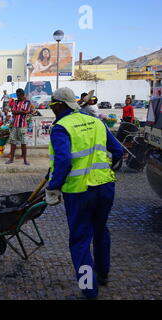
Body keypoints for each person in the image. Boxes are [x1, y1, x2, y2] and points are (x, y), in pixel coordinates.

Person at [46, 87, 124, 300]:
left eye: (53, 107)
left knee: (80, 240)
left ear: (60, 105)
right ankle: (103, 274)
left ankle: (89, 290)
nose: (52, 111)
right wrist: (107, 168)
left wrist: (53, 187)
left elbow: (63, 162)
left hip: (80, 192)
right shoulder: (97, 122)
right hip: (105, 187)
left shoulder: (61, 127)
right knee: (101, 230)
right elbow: (118, 151)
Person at [6, 89, 31, 166]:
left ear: (23, 94)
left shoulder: (27, 102)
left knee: (23, 143)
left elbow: (27, 112)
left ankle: (25, 160)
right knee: (13, 142)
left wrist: (18, 111)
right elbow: (13, 112)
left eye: (19, 95)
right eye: (17, 95)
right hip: (15, 125)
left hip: (22, 125)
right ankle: (11, 159)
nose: (18, 97)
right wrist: (21, 112)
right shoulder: (16, 102)